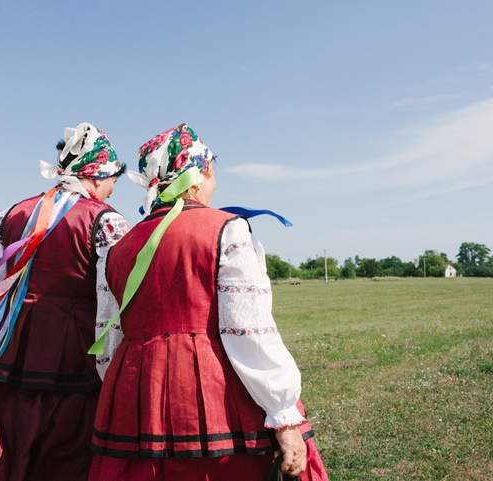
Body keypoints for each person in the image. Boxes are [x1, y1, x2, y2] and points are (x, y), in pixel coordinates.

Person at [88, 123, 329, 481]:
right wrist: (283, 413)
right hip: (212, 396)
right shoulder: (226, 229)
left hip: (133, 397)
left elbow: (108, 337)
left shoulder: (119, 247)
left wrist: (127, 389)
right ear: (201, 175)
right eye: (213, 174)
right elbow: (248, 329)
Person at [0, 122, 129, 481]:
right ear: (97, 175)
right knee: (66, 456)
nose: (113, 189)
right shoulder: (105, 221)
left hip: (9, 356)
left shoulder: (11, 214)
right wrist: (111, 367)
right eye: (113, 178)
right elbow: (115, 302)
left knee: (11, 449)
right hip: (75, 360)